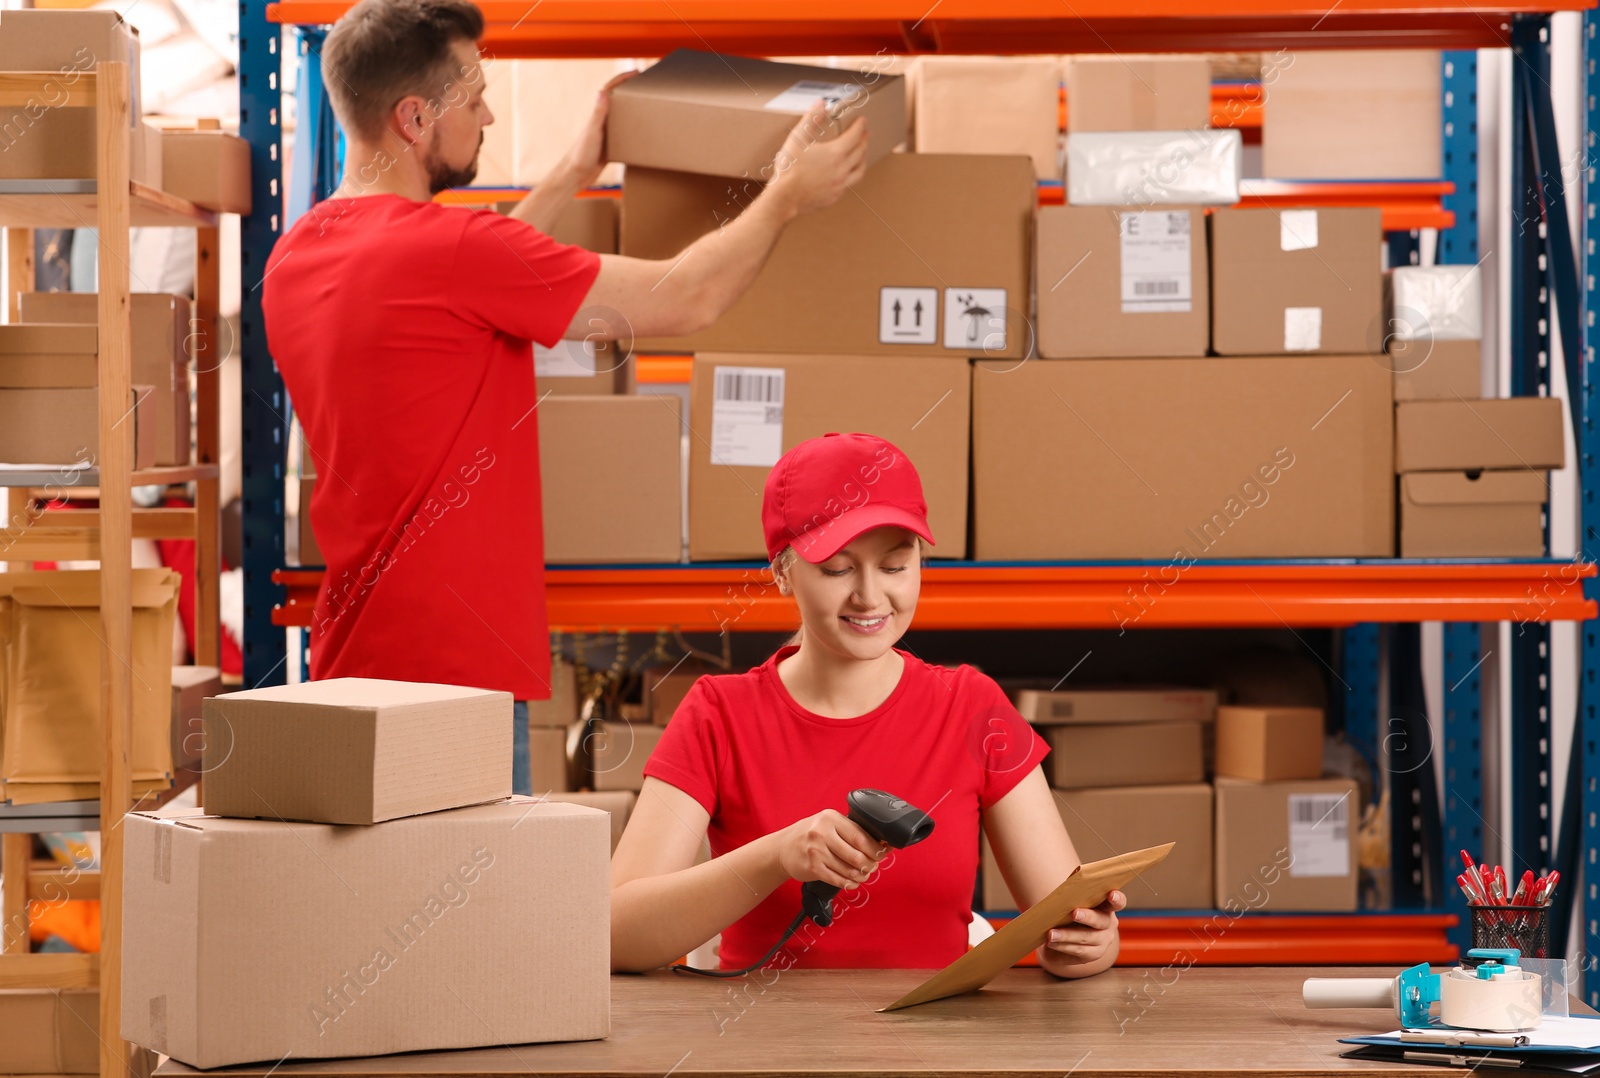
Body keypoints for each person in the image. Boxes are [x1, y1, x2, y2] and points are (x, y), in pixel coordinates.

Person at [261, 0, 869, 795]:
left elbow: (463, 293)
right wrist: (787, 191)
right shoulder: (452, 253)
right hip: (456, 686)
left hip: (350, 662)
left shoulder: (298, 255)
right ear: (413, 117)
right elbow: (688, 298)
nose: (485, 113)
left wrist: (577, 170)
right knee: (477, 920)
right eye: (473, 94)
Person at [611, 433, 1125, 974]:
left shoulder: (973, 706)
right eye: (838, 569)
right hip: (763, 1047)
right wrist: (775, 856)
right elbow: (616, 937)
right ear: (782, 572)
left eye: (895, 566)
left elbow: (1065, 925)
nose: (870, 597)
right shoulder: (718, 714)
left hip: (939, 1046)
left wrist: (1090, 945)